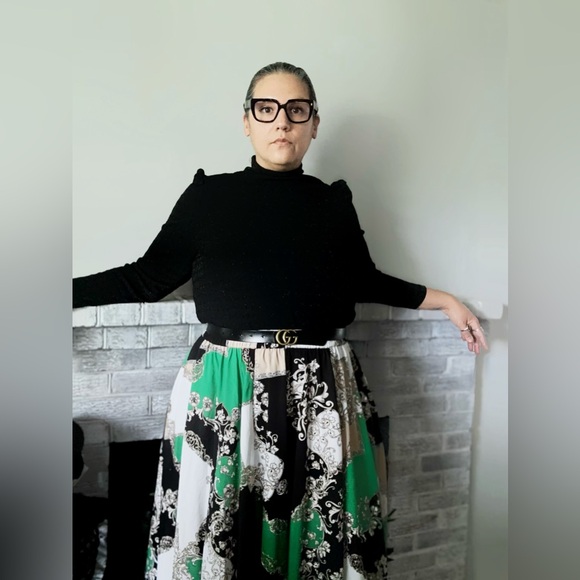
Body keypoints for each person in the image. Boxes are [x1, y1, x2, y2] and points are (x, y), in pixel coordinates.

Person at [73, 61, 488, 580]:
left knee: (321, 540)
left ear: (314, 123)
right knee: (221, 531)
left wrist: (444, 300)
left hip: (323, 386)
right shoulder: (209, 197)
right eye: (266, 109)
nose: (282, 121)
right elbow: (144, 278)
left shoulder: (333, 202)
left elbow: (365, 280)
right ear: (247, 121)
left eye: (296, 110)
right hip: (227, 386)